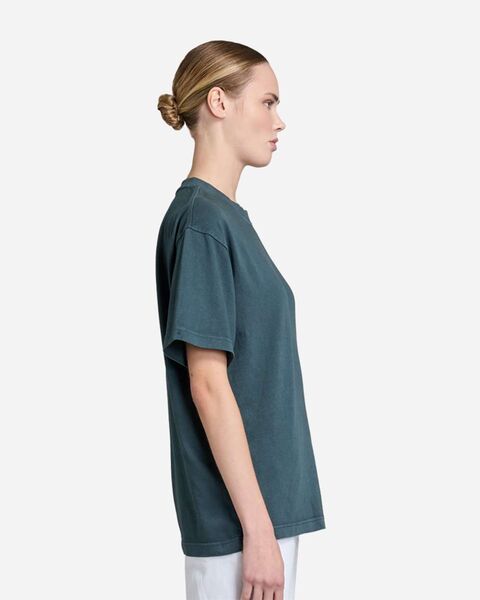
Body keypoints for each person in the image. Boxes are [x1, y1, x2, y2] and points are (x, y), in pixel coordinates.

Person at [155, 40, 326, 600]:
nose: (279, 121)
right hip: (241, 526)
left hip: (262, 515)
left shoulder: (222, 219)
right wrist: (257, 530)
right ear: (219, 102)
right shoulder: (203, 221)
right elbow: (207, 382)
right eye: (268, 102)